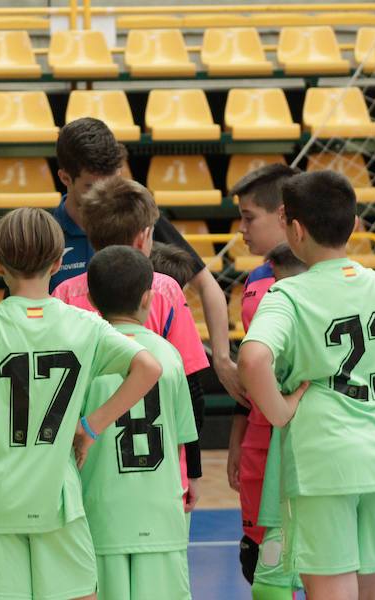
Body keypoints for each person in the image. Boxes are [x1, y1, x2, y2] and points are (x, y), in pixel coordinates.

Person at [238, 170, 375, 600]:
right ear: (353, 224)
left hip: (322, 463)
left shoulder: (289, 296)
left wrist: (278, 411)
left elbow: (253, 357)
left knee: (332, 589)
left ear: (293, 229)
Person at [0, 207, 163, 600]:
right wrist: (90, 426)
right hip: (56, 497)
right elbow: (148, 367)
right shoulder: (84, 323)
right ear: (60, 262)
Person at [50, 117, 245, 405]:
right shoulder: (50, 234)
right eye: (92, 185)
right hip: (83, 395)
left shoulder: (138, 219)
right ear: (66, 178)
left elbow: (207, 285)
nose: (106, 194)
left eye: (113, 180)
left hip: (149, 391)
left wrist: (223, 359)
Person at [52, 175, 207, 510]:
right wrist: (192, 468)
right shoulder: (164, 290)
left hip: (88, 467)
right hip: (160, 467)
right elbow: (190, 385)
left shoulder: (64, 293)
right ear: (145, 237)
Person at [82, 245, 198, 600]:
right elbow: (180, 438)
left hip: (101, 514)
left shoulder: (86, 353)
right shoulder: (169, 355)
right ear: (148, 298)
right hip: (160, 514)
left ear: (90, 299)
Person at [224, 163, 301, 584]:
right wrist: (238, 438)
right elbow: (247, 369)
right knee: (258, 562)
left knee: (316, 566)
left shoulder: (324, 279)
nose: (241, 229)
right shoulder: (255, 280)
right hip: (259, 442)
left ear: (285, 215)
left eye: (249, 217)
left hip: (305, 441)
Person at [250, 242, 307, 600]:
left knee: (271, 573)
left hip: (301, 449)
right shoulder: (371, 289)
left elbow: (254, 362)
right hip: (365, 451)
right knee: (365, 576)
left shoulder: (283, 301)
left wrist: (282, 408)